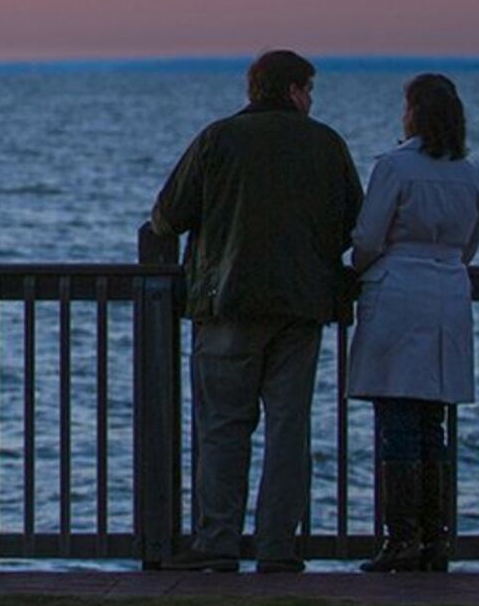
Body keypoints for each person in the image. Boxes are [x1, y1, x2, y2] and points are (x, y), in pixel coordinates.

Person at [148, 48, 363, 571]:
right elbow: (352, 224)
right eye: (308, 90)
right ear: (292, 90)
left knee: (223, 426)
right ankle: (277, 546)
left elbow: (167, 216)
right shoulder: (326, 143)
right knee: (289, 431)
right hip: (302, 308)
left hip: (228, 304)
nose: (311, 101)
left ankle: (217, 541)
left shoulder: (218, 139)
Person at [344, 70, 479, 572]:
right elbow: (471, 242)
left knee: (398, 418)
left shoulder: (395, 167)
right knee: (432, 422)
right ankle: (436, 539)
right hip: (449, 291)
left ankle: (401, 538)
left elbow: (368, 238)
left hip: (398, 293)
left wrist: (360, 267)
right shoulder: (469, 172)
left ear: (414, 114)